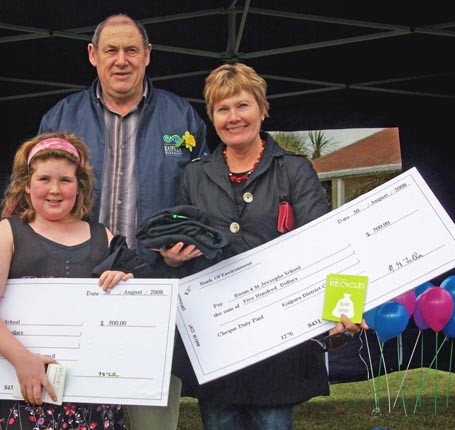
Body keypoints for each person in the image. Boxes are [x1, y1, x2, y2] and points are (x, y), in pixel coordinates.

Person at [157, 62, 366, 430]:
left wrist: (342, 309)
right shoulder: (193, 175)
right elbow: (185, 251)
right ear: (212, 117)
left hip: (278, 348)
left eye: (242, 105)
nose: (233, 117)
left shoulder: (295, 170)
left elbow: (326, 244)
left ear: (262, 109)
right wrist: (173, 262)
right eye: (222, 109)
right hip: (218, 343)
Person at [38, 14, 209, 429]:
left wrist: (177, 250)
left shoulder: (182, 120)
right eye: (111, 50)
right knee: (79, 417)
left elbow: (199, 202)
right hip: (77, 289)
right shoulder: (60, 119)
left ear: (147, 56)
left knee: (152, 420)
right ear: (93, 56)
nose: (121, 60)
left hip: (155, 288)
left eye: (131, 50)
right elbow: (37, 205)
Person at [0, 132, 145, 430]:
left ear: (79, 186)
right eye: (44, 179)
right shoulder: (8, 232)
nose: (55, 189)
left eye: (65, 180)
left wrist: (125, 284)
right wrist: (22, 360)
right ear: (27, 185)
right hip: (23, 394)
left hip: (92, 401)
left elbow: (133, 311)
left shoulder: (104, 237)